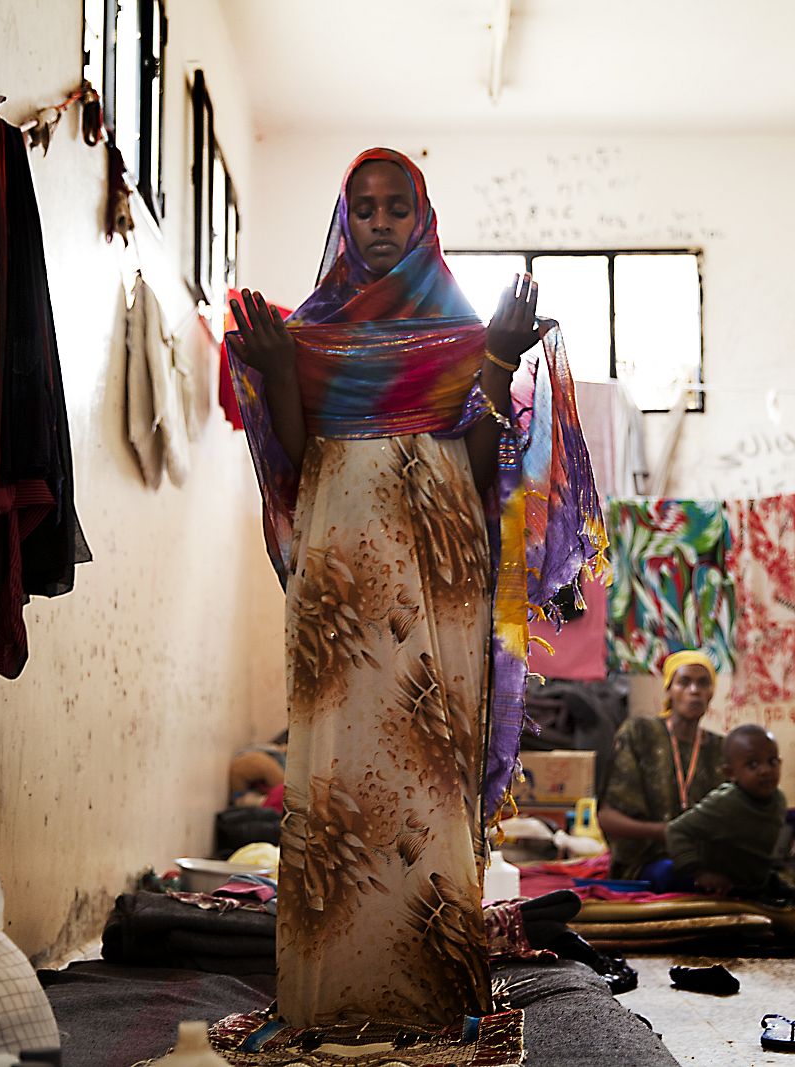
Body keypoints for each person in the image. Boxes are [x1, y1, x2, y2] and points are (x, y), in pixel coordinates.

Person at [226, 148, 604, 1030]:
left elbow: (482, 471)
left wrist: (500, 361)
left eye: (399, 207)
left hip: (437, 573)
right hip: (340, 582)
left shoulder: (463, 336)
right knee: (333, 782)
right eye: (366, 208)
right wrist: (281, 368)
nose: (382, 222)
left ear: (424, 218)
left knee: (429, 771)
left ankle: (429, 996)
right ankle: (331, 997)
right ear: (345, 220)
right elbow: (297, 454)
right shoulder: (312, 332)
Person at [596, 650, 731, 881]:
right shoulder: (640, 733)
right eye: (684, 682)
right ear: (669, 689)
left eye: (703, 683)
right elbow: (608, 818)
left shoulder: (722, 748)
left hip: (705, 858)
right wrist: (666, 833)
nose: (694, 690)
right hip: (648, 859)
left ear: (711, 692)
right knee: (676, 873)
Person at [665, 723, 788, 895]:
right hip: (718, 888)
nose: (765, 770)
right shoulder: (725, 803)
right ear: (730, 773)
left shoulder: (778, 800)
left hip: (754, 884)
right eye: (753, 765)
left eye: (772, 762)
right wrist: (699, 872)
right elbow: (675, 830)